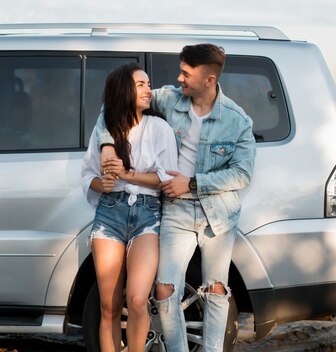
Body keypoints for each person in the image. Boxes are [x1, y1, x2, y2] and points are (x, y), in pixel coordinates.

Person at [96, 44, 256, 351]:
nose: (178, 78)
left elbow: (242, 174)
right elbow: (116, 102)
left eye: (186, 73)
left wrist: (193, 183)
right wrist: (105, 144)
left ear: (209, 79)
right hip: (175, 209)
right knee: (166, 290)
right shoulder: (169, 99)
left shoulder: (238, 120)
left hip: (218, 213)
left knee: (216, 289)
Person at [81, 63, 178, 352]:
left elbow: (167, 178)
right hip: (109, 214)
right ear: (124, 89)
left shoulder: (159, 128)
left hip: (147, 216)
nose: (149, 90)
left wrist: (127, 175)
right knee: (109, 306)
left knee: (137, 299)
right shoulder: (105, 133)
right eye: (141, 85)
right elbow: (87, 176)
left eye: (148, 84)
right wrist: (104, 184)